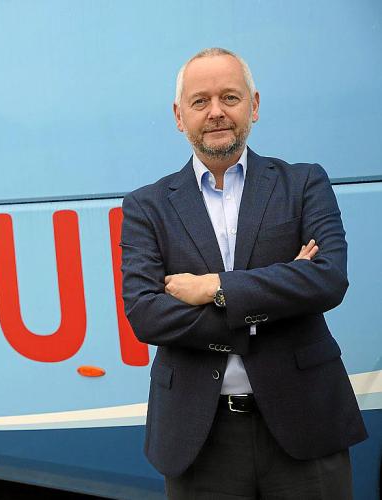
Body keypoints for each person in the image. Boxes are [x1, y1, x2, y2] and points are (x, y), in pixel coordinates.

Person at [120, 47, 367, 499]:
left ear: (253, 105)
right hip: (198, 439)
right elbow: (146, 315)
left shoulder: (303, 183)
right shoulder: (146, 207)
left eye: (229, 97)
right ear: (179, 116)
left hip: (306, 425)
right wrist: (276, 296)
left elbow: (328, 279)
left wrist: (215, 288)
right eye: (200, 101)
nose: (216, 112)